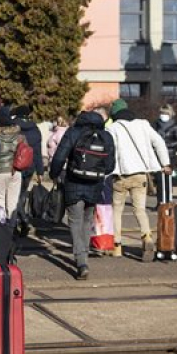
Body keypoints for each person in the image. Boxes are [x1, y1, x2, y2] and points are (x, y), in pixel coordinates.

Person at [49, 111, 115, 280]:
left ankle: (81, 261)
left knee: (75, 221)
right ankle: (83, 256)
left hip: (74, 182)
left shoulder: (73, 132)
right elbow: (110, 166)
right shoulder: (106, 137)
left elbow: (59, 157)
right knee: (87, 221)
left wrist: (54, 174)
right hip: (95, 185)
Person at [108, 107, 171, 261]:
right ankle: (147, 237)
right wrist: (165, 163)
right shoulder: (143, 124)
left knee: (117, 210)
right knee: (140, 210)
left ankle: (117, 246)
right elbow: (159, 142)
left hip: (120, 176)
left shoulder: (112, 128)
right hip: (140, 175)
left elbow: (109, 151)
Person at [11, 105, 44, 235]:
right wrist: (40, 171)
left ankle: (21, 221)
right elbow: (37, 153)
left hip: (14, 166)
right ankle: (22, 219)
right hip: (29, 167)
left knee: (14, 196)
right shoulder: (35, 129)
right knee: (22, 195)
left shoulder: (12, 127)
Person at [0, 117, 23, 225]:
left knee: (0, 201)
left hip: (0, 171)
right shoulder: (19, 136)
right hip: (16, 171)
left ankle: (2, 227)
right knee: (13, 203)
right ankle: (12, 228)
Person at [153, 104, 177, 206]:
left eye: (165, 113)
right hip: (157, 155)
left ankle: (168, 201)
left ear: (170, 114)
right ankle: (160, 202)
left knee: (167, 179)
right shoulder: (155, 125)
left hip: (170, 155)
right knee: (159, 180)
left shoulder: (175, 126)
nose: (163, 115)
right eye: (161, 113)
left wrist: (165, 145)